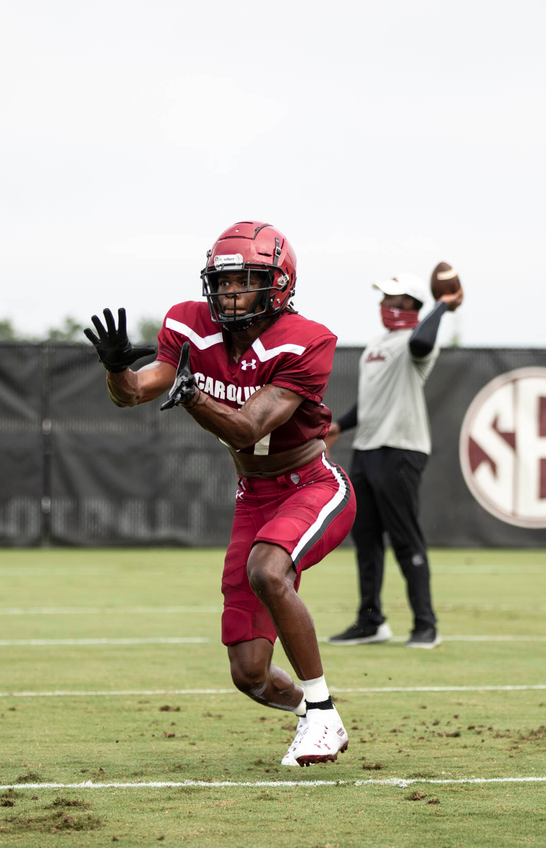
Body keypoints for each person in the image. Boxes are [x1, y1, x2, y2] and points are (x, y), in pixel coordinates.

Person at [84, 221, 356, 767]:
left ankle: (324, 715)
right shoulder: (190, 326)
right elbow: (134, 394)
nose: (230, 294)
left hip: (311, 485)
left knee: (267, 569)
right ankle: (312, 711)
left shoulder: (307, 340)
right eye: (223, 282)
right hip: (253, 496)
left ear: (277, 284)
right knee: (250, 674)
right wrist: (116, 369)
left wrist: (193, 397)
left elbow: (247, 428)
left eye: (245, 281)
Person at [324, 270, 463, 649]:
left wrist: (442, 308)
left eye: (394, 299)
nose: (385, 305)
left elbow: (420, 343)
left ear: (413, 305)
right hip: (366, 451)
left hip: (402, 449)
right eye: (384, 298)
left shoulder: (418, 340)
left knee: (405, 539)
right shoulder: (376, 345)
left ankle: (425, 624)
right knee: (366, 538)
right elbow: (370, 404)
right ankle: (371, 621)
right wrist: (340, 425)